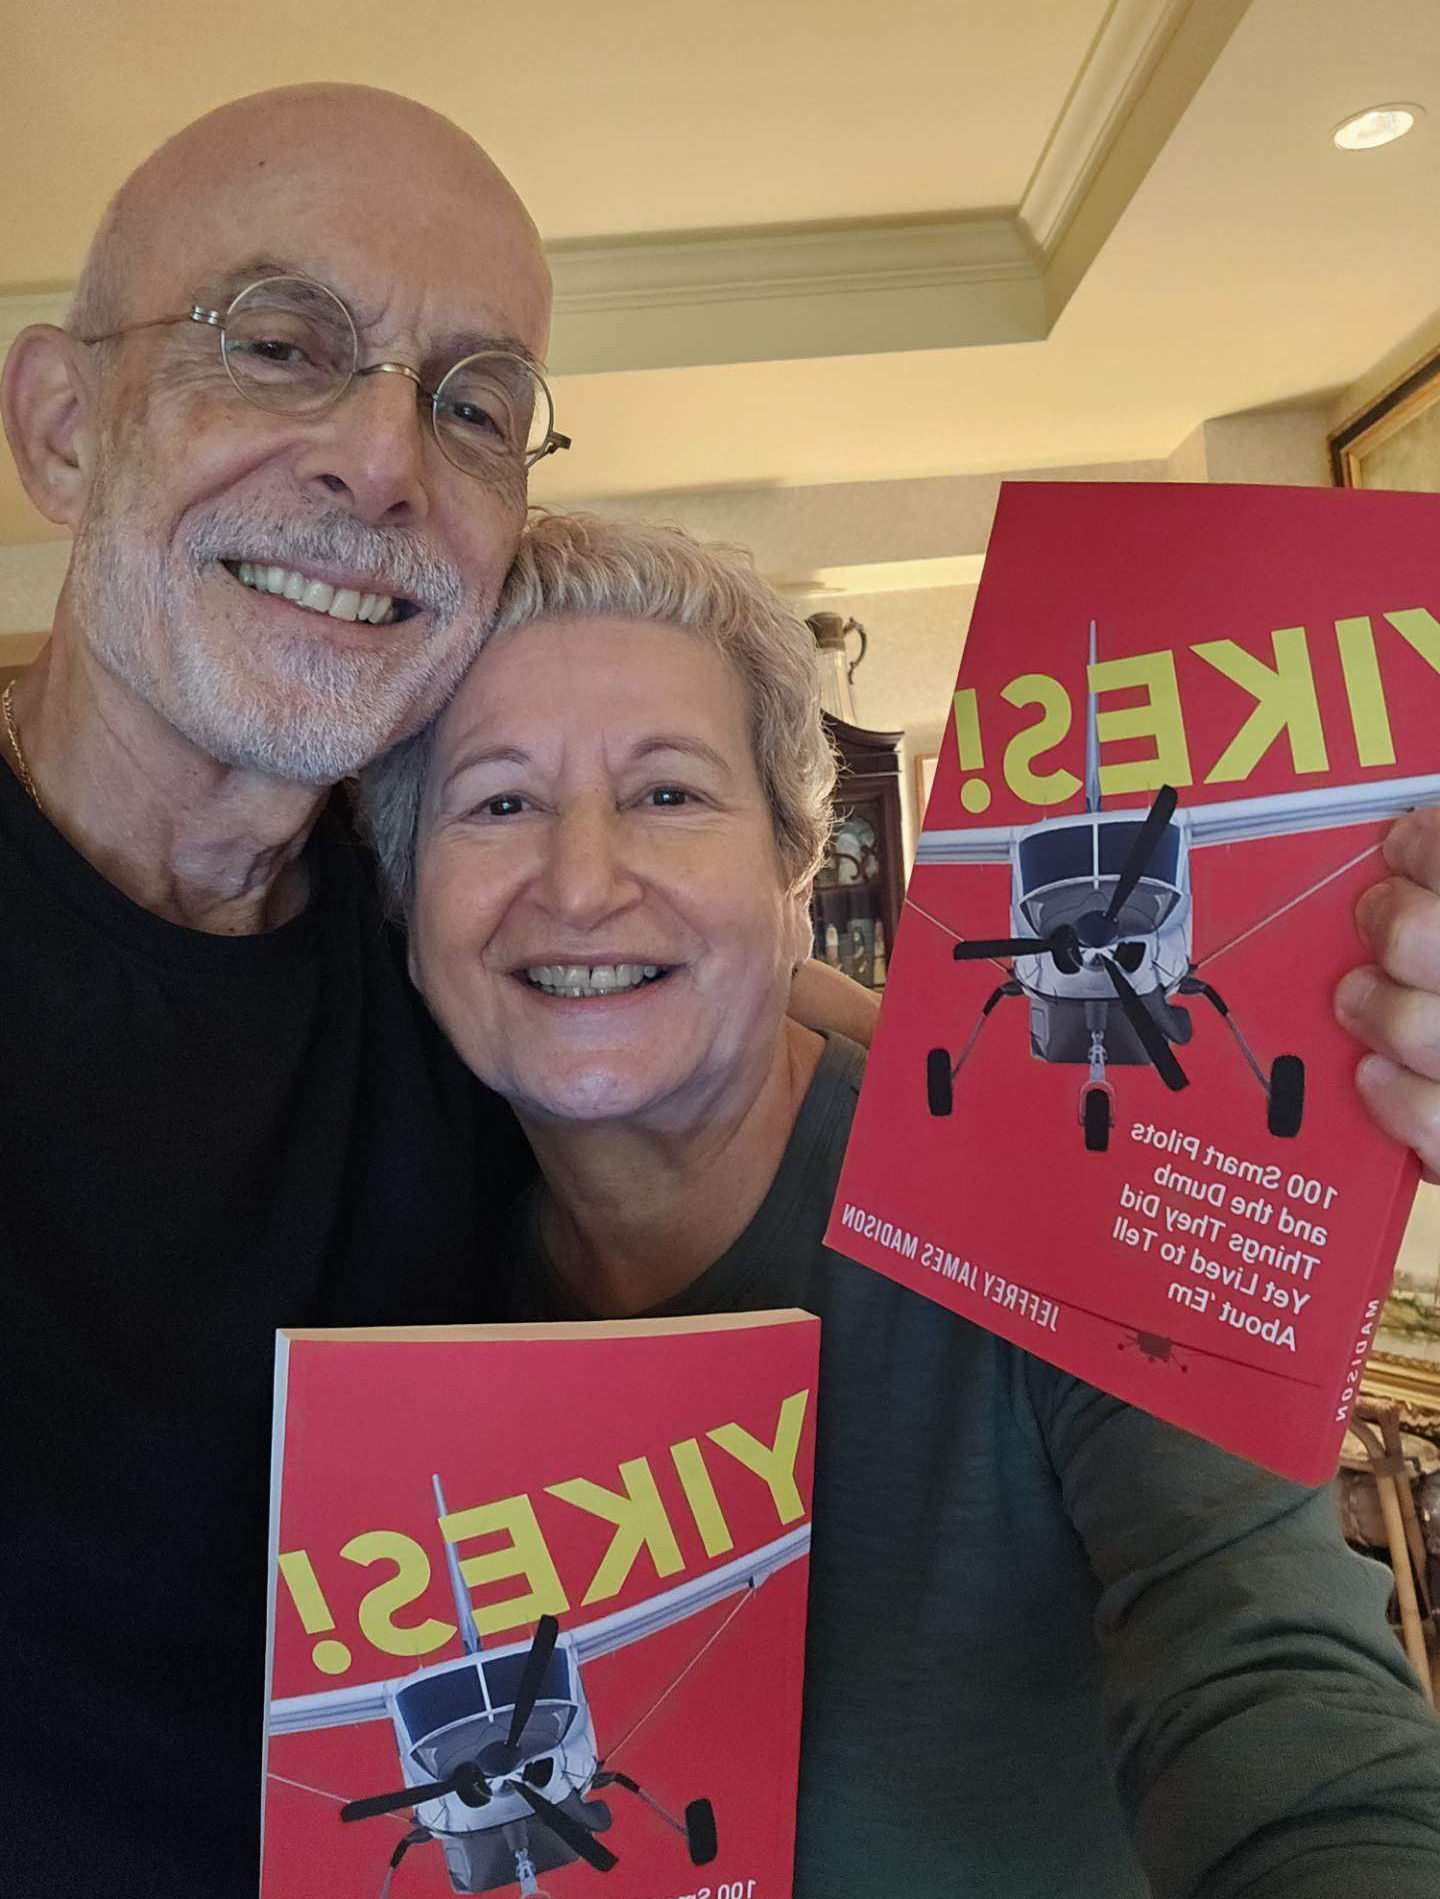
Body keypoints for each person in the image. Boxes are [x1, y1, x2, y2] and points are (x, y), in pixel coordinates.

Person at [0, 85, 1436, 1898]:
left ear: (793, 856)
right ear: (60, 425)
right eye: (279, 344)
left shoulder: (507, 1025)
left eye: (470, 401)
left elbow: (1283, 1700)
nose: (379, 458)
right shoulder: (471, 1010)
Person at [362, 510, 1440, 1899]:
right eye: (497, 802)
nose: (580, 881)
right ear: (404, 892)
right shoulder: (386, 1278)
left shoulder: (1066, 1204)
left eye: (669, 795)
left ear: (794, 868)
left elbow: (1281, 1689)